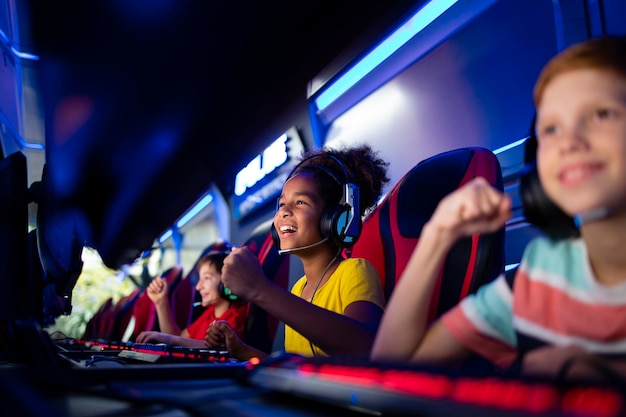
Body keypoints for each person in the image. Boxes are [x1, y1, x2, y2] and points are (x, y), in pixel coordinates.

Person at [371, 35, 626, 384]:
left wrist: (596, 374)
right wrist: (438, 234)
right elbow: (390, 368)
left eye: (601, 114)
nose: (568, 142)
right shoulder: (540, 275)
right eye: (551, 128)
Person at [205, 144, 390, 360]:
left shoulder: (354, 271)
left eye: (300, 202)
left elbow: (365, 346)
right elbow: (298, 368)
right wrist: (241, 351)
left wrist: (259, 288)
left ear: (337, 219)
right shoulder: (297, 289)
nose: (284, 211)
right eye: (282, 204)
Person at [136, 250, 248, 349]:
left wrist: (171, 339)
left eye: (207, 278)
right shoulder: (210, 314)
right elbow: (178, 338)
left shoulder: (235, 317)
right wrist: (161, 302)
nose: (198, 286)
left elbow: (219, 349)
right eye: (200, 279)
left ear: (226, 282)